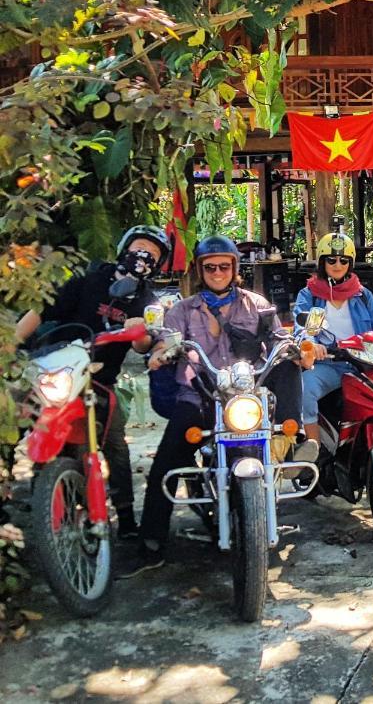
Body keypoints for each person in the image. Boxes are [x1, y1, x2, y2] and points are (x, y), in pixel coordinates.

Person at [116, 235, 304, 578]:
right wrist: (161, 353)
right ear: (201, 271)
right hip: (199, 395)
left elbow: (280, 339)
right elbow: (165, 341)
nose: (217, 272)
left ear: (234, 269)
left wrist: (297, 348)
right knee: (167, 462)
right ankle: (151, 543)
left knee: (282, 405)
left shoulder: (257, 305)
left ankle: (290, 439)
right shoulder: (181, 310)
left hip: (248, 399)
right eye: (210, 267)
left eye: (224, 266)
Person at [15, 225, 169, 539]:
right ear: (124, 248)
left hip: (101, 382)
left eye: (152, 255)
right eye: (139, 248)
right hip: (57, 372)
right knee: (25, 421)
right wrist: (10, 345)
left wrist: (140, 331)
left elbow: (145, 345)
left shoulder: (145, 298)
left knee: (114, 443)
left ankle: (125, 519)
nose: (144, 257)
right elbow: (41, 311)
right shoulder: (90, 280)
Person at [293, 230, 373, 462]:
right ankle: (313, 451)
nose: (337, 265)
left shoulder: (362, 294)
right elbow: (303, 329)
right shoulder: (309, 294)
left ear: (350, 263)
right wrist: (311, 344)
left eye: (343, 260)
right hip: (329, 364)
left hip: (364, 364)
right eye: (331, 260)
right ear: (322, 262)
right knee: (305, 388)